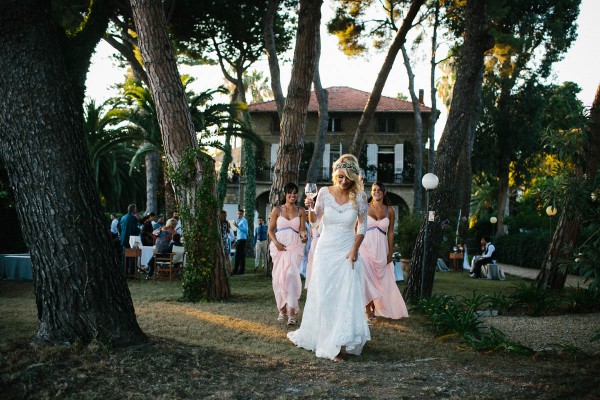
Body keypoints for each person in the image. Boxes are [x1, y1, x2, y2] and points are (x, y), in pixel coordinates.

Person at [287, 154, 370, 362]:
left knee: (344, 296)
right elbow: (316, 221)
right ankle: (323, 337)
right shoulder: (324, 192)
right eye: (341, 177)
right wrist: (309, 208)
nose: (344, 181)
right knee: (325, 295)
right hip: (325, 250)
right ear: (336, 174)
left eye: (348, 178)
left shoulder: (360, 196)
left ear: (354, 177)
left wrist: (354, 249)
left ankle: (339, 344)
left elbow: (363, 226)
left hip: (347, 250)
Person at [360, 182, 408, 324]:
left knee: (378, 280)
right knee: (365, 279)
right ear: (371, 192)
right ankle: (368, 311)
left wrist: (390, 252)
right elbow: (357, 228)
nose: (376, 192)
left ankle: (374, 308)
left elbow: (391, 232)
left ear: (384, 193)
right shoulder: (364, 208)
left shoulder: (390, 211)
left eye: (379, 190)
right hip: (365, 247)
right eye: (374, 190)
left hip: (381, 249)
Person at [268, 183, 308, 326]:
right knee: (279, 279)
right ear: (285, 194)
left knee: (291, 276)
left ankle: (292, 313)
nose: (293, 196)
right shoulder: (277, 210)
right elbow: (270, 230)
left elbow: (302, 230)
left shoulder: (301, 211)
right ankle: (282, 309)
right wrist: (277, 244)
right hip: (279, 248)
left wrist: (304, 236)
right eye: (290, 193)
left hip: (294, 248)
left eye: (295, 193)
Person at [119, 204, 141, 275]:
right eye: (135, 209)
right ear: (133, 209)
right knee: (133, 257)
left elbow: (119, 228)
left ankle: (124, 272)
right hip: (131, 240)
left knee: (124, 257)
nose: (136, 210)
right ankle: (132, 273)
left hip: (123, 240)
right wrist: (139, 230)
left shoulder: (123, 217)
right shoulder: (133, 218)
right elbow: (135, 229)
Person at [232, 208, 248, 275]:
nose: (239, 215)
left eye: (240, 214)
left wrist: (238, 226)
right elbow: (239, 233)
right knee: (241, 256)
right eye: (238, 213)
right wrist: (235, 241)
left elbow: (245, 230)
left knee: (237, 255)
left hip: (242, 240)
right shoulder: (239, 221)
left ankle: (235, 270)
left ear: (242, 214)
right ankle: (241, 271)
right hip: (239, 239)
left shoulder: (244, 221)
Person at [219, 210, 233, 275]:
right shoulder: (226, 222)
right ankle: (230, 270)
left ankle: (222, 270)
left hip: (220, 240)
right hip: (225, 240)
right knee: (227, 256)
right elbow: (228, 231)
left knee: (220, 256)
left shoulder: (218, 222)